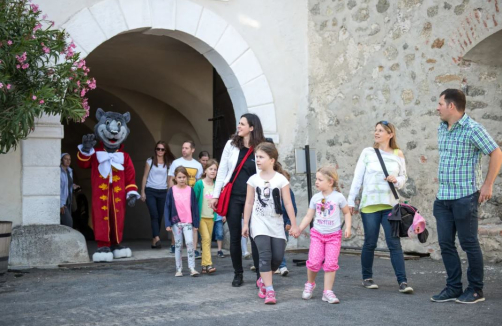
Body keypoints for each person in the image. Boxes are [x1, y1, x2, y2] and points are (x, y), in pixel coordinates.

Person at [431, 89, 502, 304]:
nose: (437, 107)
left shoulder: (473, 129)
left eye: (440, 103)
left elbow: (496, 152)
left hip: (464, 197)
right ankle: (453, 288)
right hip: (443, 198)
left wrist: (487, 184)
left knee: (469, 243)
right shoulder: (442, 128)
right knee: (445, 244)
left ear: (451, 106)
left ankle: (475, 290)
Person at [347, 121, 413, 293]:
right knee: (370, 242)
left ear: (390, 134)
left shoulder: (398, 153)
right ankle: (367, 278)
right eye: (375, 130)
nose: (376, 133)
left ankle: (403, 282)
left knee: (394, 243)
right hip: (369, 204)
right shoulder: (367, 153)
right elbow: (357, 178)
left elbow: (403, 177)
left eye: (381, 130)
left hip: (390, 204)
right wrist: (350, 201)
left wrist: (396, 180)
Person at [210, 113, 265, 287]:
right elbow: (222, 172)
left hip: (254, 197)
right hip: (233, 196)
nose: (238, 126)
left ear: (252, 127)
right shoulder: (231, 145)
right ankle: (238, 273)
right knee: (235, 237)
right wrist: (216, 195)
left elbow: (267, 171)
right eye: (239, 123)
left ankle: (260, 275)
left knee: (256, 237)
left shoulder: (262, 147)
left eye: (242, 124)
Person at [242, 142, 298, 304]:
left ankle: (264, 280)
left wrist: (294, 224)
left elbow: (288, 203)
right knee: (265, 256)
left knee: (278, 258)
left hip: (277, 224)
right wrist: (246, 223)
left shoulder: (281, 180)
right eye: (256, 157)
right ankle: (270, 290)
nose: (257, 160)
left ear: (272, 160)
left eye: (261, 157)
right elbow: (249, 203)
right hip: (259, 224)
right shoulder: (253, 180)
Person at [294, 166, 351, 304]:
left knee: (331, 263)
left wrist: (348, 227)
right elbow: (309, 215)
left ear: (330, 182)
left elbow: (347, 212)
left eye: (320, 179)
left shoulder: (339, 197)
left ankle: (327, 292)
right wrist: (300, 228)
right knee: (314, 262)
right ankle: (310, 284)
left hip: (333, 236)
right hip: (318, 235)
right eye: (316, 179)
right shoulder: (316, 198)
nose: (316, 182)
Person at [168, 141, 203, 256]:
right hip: (178, 197)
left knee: (193, 222)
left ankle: (194, 248)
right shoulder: (176, 162)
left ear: (192, 150)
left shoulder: (197, 165)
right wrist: (171, 194)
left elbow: (199, 182)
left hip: (191, 197)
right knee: (176, 220)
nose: (183, 150)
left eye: (186, 148)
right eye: (183, 148)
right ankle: (175, 245)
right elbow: (171, 179)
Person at [165, 166, 200, 277]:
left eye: (184, 177)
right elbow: (167, 207)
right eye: (179, 177)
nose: (182, 179)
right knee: (178, 245)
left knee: (190, 242)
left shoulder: (190, 190)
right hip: (176, 222)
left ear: (187, 178)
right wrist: (168, 223)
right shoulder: (172, 191)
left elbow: (195, 207)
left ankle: (192, 267)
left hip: (188, 221)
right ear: (175, 178)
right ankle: (179, 269)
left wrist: (196, 223)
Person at [140, 141, 175, 249]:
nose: (160, 151)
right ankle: (157, 237)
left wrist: (170, 193)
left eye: (162, 149)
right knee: (154, 214)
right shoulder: (150, 161)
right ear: (155, 150)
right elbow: (145, 176)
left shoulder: (169, 163)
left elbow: (170, 179)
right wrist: (142, 191)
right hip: (150, 190)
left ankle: (154, 240)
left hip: (163, 191)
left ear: (165, 151)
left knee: (159, 216)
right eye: (158, 149)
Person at [194, 159, 219, 274]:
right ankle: (208, 264)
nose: (213, 171)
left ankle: (204, 266)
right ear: (205, 170)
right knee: (206, 239)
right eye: (211, 169)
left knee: (206, 241)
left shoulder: (216, 185)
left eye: (215, 169)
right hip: (201, 217)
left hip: (211, 217)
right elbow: (193, 200)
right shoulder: (200, 184)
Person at [275, 169, 297, 276]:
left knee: (281, 244)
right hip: (274, 222)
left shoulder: (289, 192)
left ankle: (281, 265)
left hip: (284, 223)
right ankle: (279, 266)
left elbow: (293, 208)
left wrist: (289, 222)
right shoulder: (273, 191)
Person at [60, 153, 78, 228]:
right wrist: (60, 204)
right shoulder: (59, 172)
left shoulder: (69, 171)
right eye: (65, 159)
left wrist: (73, 186)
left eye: (69, 159)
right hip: (62, 202)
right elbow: (59, 188)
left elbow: (68, 184)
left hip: (68, 200)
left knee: (64, 224)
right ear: (61, 160)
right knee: (68, 222)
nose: (68, 161)